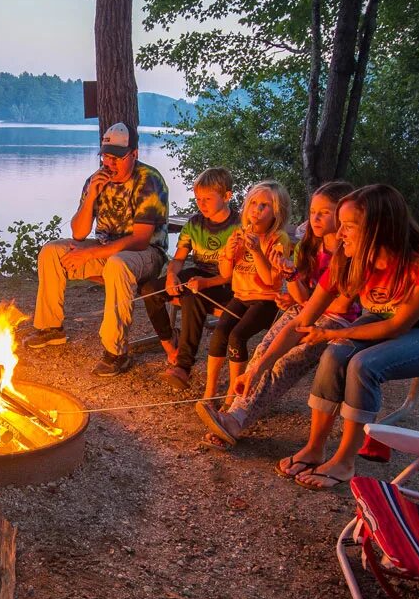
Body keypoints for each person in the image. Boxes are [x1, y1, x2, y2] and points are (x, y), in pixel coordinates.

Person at [279, 184, 419, 490]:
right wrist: (262, 368)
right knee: (335, 354)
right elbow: (304, 319)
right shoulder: (350, 257)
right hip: (383, 318)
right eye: (340, 225)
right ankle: (315, 448)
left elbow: (397, 327)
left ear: (378, 229)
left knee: (364, 365)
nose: (339, 234)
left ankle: (344, 461)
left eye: (349, 226)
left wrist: (332, 331)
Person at [194, 181, 356, 447]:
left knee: (285, 361)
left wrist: (296, 293)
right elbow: (302, 295)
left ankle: (235, 420)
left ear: (343, 215)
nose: (314, 217)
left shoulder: (349, 252)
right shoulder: (309, 245)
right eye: (313, 211)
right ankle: (234, 415)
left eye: (324, 212)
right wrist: (290, 277)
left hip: (336, 320)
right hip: (304, 308)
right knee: (263, 353)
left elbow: (338, 306)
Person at [24, 122, 169, 376]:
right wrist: (92, 195)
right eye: (105, 156)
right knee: (51, 252)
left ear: (133, 154)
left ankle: (116, 352)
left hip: (146, 255)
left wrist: (90, 253)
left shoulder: (149, 180)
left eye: (117, 158)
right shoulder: (96, 179)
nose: (110, 164)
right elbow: (79, 233)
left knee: (118, 264)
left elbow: (140, 240)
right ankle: (50, 329)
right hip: (106, 250)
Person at [140, 168, 241, 389]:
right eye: (198, 199)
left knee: (193, 296)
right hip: (199, 273)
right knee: (150, 291)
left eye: (207, 199)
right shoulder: (195, 223)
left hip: (227, 282)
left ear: (226, 196)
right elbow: (178, 259)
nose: (201, 204)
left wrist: (205, 283)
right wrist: (171, 275)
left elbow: (235, 273)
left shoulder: (238, 226)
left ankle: (183, 367)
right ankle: (170, 344)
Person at [201, 181, 294, 401]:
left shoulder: (278, 239)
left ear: (277, 212)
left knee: (236, 336)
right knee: (220, 333)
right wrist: (228, 254)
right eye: (253, 203)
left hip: (265, 301)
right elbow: (225, 273)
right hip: (241, 296)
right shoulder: (240, 233)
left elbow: (271, 281)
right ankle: (210, 390)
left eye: (265, 205)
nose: (257, 210)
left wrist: (257, 251)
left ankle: (233, 396)